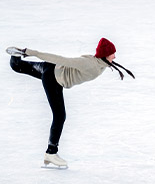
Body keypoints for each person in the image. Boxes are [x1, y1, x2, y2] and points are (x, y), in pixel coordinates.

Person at [7, 38, 134, 168]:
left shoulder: (101, 62)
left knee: (19, 67)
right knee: (60, 116)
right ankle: (51, 153)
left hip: (53, 71)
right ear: (106, 55)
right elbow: (62, 60)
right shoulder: (89, 64)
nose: (115, 56)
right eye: (113, 53)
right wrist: (31, 52)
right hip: (53, 78)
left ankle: (15, 58)